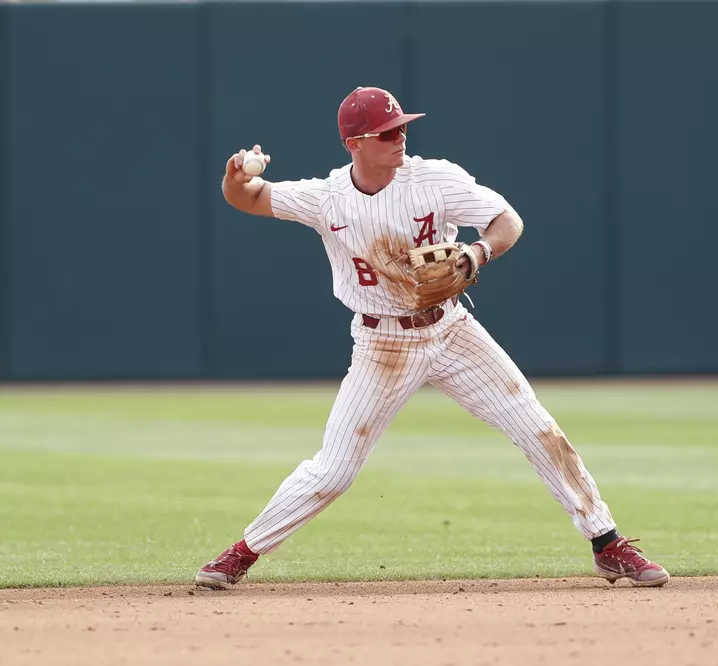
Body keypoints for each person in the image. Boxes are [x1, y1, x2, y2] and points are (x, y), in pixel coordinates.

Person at [194, 86, 669, 590]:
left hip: (450, 327)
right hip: (383, 344)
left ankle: (606, 543)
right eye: (388, 131)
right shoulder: (327, 198)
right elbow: (248, 198)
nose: (401, 137)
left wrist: (479, 252)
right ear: (355, 143)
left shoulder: (435, 178)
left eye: (403, 127)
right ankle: (241, 553)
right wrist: (234, 178)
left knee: (539, 428)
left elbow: (507, 220)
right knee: (334, 470)